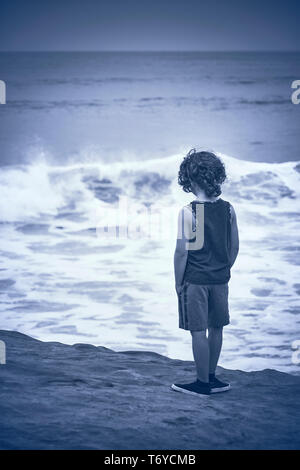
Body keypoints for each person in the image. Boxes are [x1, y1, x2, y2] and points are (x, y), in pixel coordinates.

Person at [171, 149, 239, 396]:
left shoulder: (189, 213)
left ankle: (202, 383)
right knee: (217, 327)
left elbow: (182, 253)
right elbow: (234, 246)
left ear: (189, 180)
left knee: (198, 331)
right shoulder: (228, 210)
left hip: (196, 281)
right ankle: (212, 376)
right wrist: (223, 269)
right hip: (220, 279)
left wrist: (179, 282)